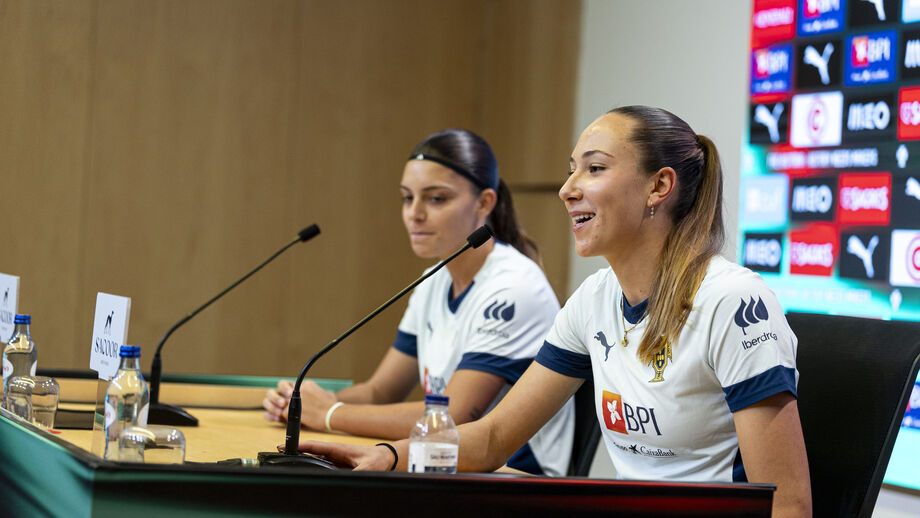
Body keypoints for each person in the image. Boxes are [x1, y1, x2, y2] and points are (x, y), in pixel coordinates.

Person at [294, 107, 812, 517]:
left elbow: (789, 505)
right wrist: (389, 456)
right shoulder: (593, 299)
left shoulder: (732, 301)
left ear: (659, 186)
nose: (567, 189)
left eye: (594, 169)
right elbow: (494, 437)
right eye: (571, 170)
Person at [263, 128, 574, 477]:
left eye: (436, 199)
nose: (415, 213)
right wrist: (301, 403)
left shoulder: (514, 287)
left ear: (484, 203)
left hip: (515, 478)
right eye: (407, 198)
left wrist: (330, 414)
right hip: (447, 470)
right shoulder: (433, 281)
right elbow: (380, 391)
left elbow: (450, 419)